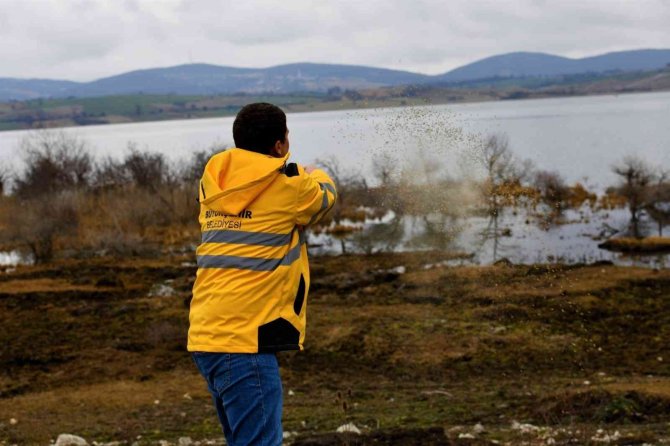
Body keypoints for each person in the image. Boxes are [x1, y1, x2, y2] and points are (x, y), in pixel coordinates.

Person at [188, 102, 337, 445]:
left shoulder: (213, 186)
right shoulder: (292, 187)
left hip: (207, 333)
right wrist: (314, 172)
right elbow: (325, 197)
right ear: (280, 145)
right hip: (245, 342)